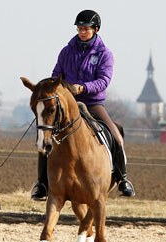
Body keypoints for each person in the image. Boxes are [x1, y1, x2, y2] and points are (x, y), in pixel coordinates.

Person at [31, 9, 135, 200]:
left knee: (116, 135)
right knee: (45, 138)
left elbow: (104, 80)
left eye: (85, 28)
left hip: (93, 103)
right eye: (79, 28)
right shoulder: (66, 51)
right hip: (66, 104)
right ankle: (42, 184)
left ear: (95, 29)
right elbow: (56, 75)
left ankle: (122, 179)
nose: (81, 31)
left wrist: (83, 88)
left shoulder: (105, 54)